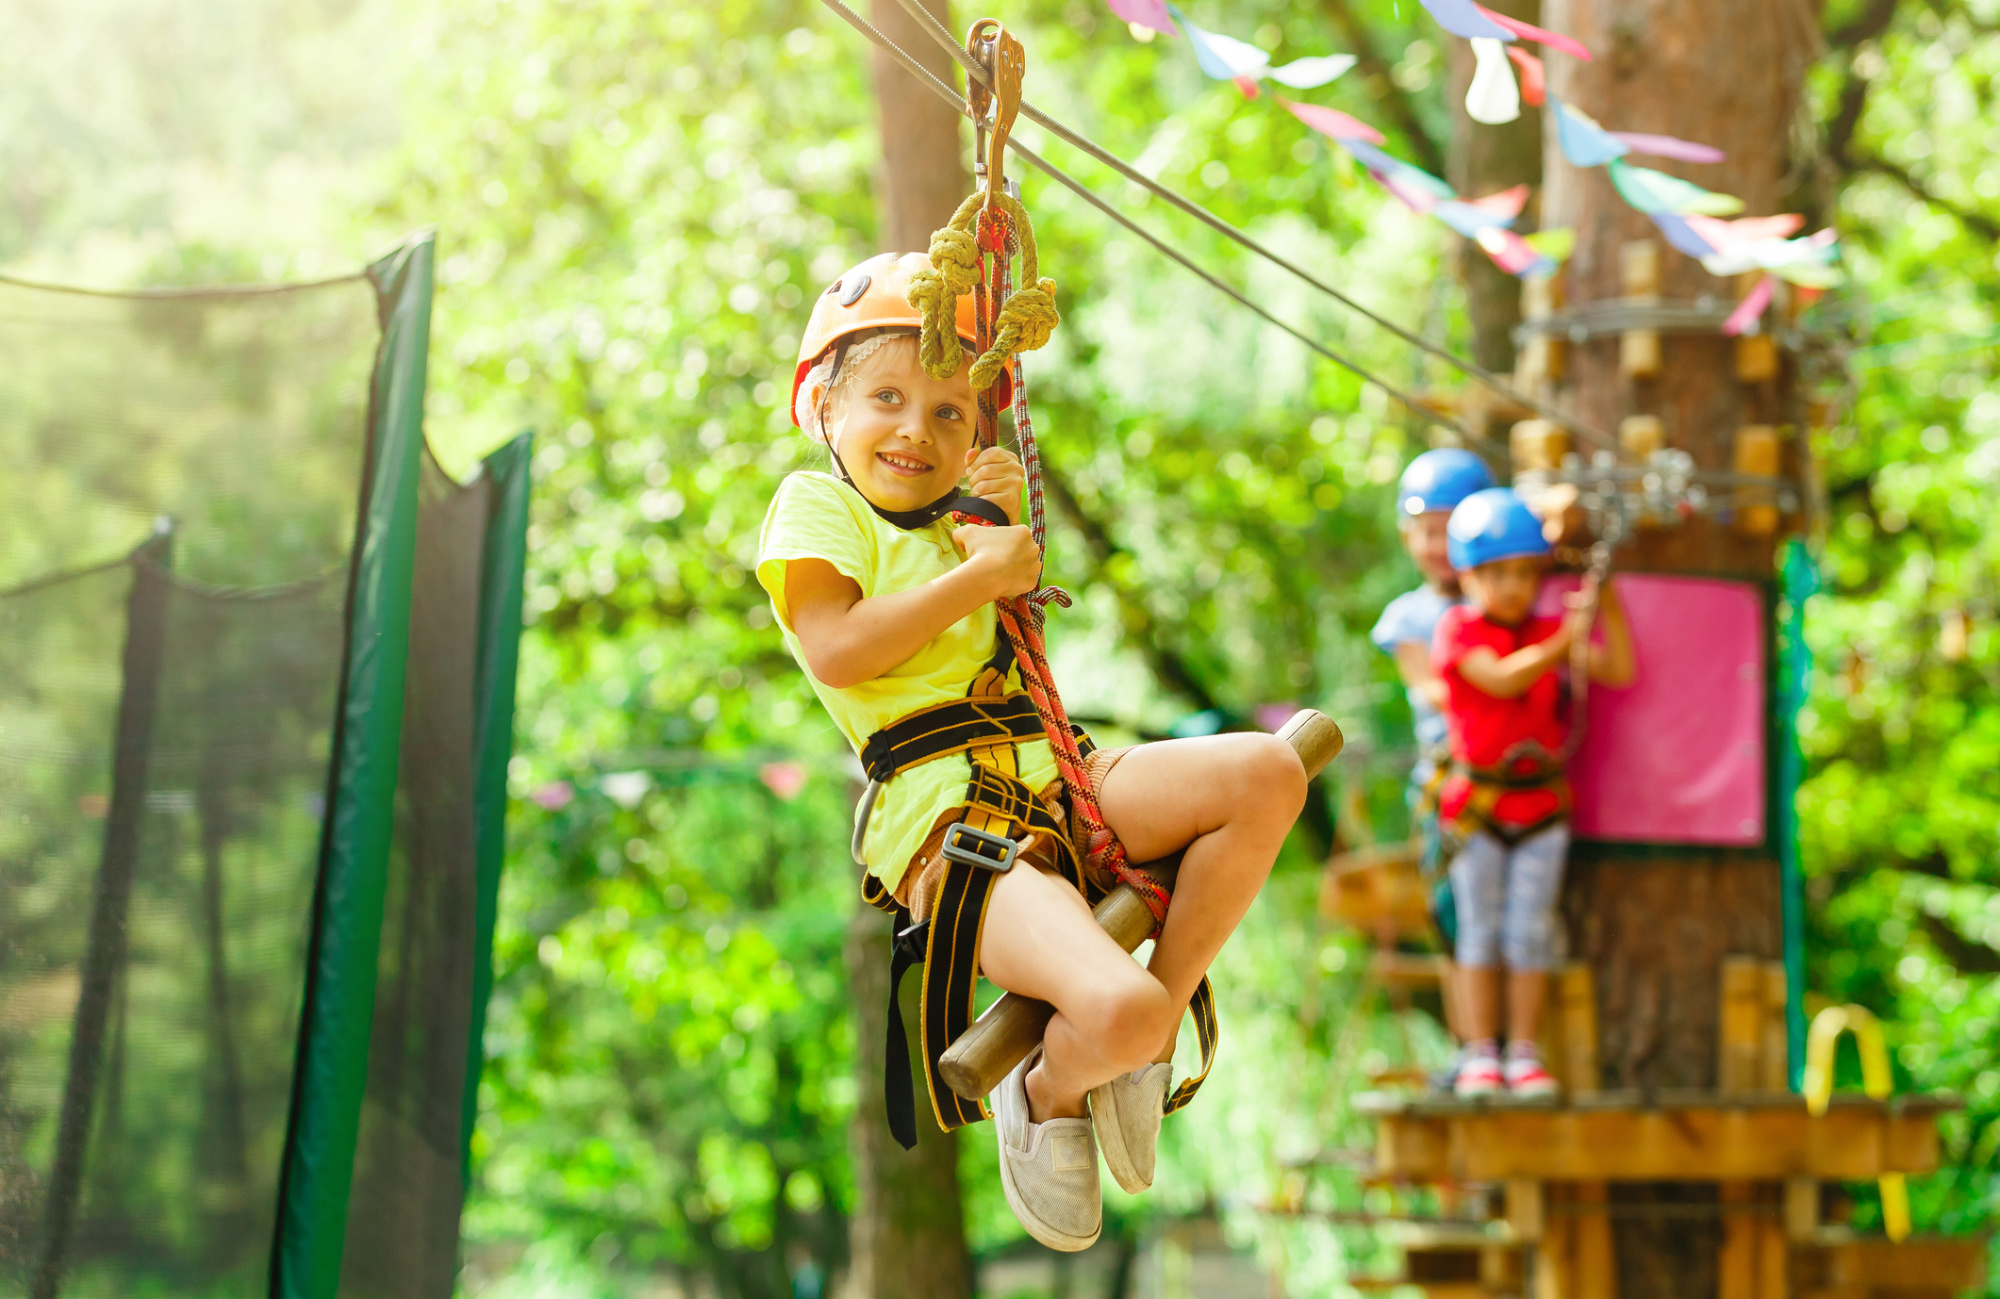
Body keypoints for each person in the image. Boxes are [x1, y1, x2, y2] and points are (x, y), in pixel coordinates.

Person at [756, 252, 1307, 1250]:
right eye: (884, 398)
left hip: (1056, 773)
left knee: (1265, 770)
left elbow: (1012, 654)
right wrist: (980, 574)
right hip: (950, 825)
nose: (916, 430)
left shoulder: (966, 529)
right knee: (1117, 1009)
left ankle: (1148, 1032)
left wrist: (994, 536)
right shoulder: (815, 506)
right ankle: (1048, 1092)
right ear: (822, 409)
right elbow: (835, 648)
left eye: (950, 414)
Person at [1432, 487, 1634, 1097]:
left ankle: (1523, 1051)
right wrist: (1564, 638)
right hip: (1479, 809)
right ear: (1468, 576)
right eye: (1496, 574)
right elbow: (1501, 678)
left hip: (1542, 808)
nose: (1513, 586)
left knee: (1528, 932)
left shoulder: (1549, 628)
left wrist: (1607, 603)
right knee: (1479, 930)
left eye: (1524, 572)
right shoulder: (1459, 631)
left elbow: (1618, 669)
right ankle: (1478, 1053)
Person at [1370, 448, 1494, 1085]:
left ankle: (1511, 1049)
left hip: (1520, 784)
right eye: (1426, 530)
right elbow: (1435, 691)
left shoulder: (1507, 602)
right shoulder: (1413, 617)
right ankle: (1473, 1046)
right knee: (1454, 919)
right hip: (1452, 789)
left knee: (1517, 922)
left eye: (1452, 529)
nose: (1438, 545)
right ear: (1405, 534)